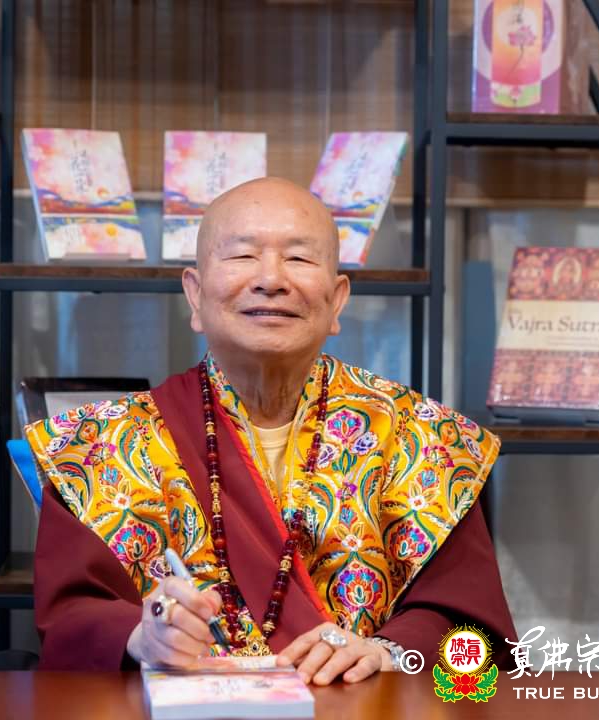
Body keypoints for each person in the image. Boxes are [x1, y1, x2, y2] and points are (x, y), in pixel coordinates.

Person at [26, 177, 516, 684]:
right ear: (194, 294)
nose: (270, 279)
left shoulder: (421, 437)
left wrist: (387, 652)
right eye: (242, 256)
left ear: (337, 301)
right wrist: (141, 636)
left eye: (299, 258)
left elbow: (471, 629)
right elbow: (71, 620)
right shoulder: (101, 445)